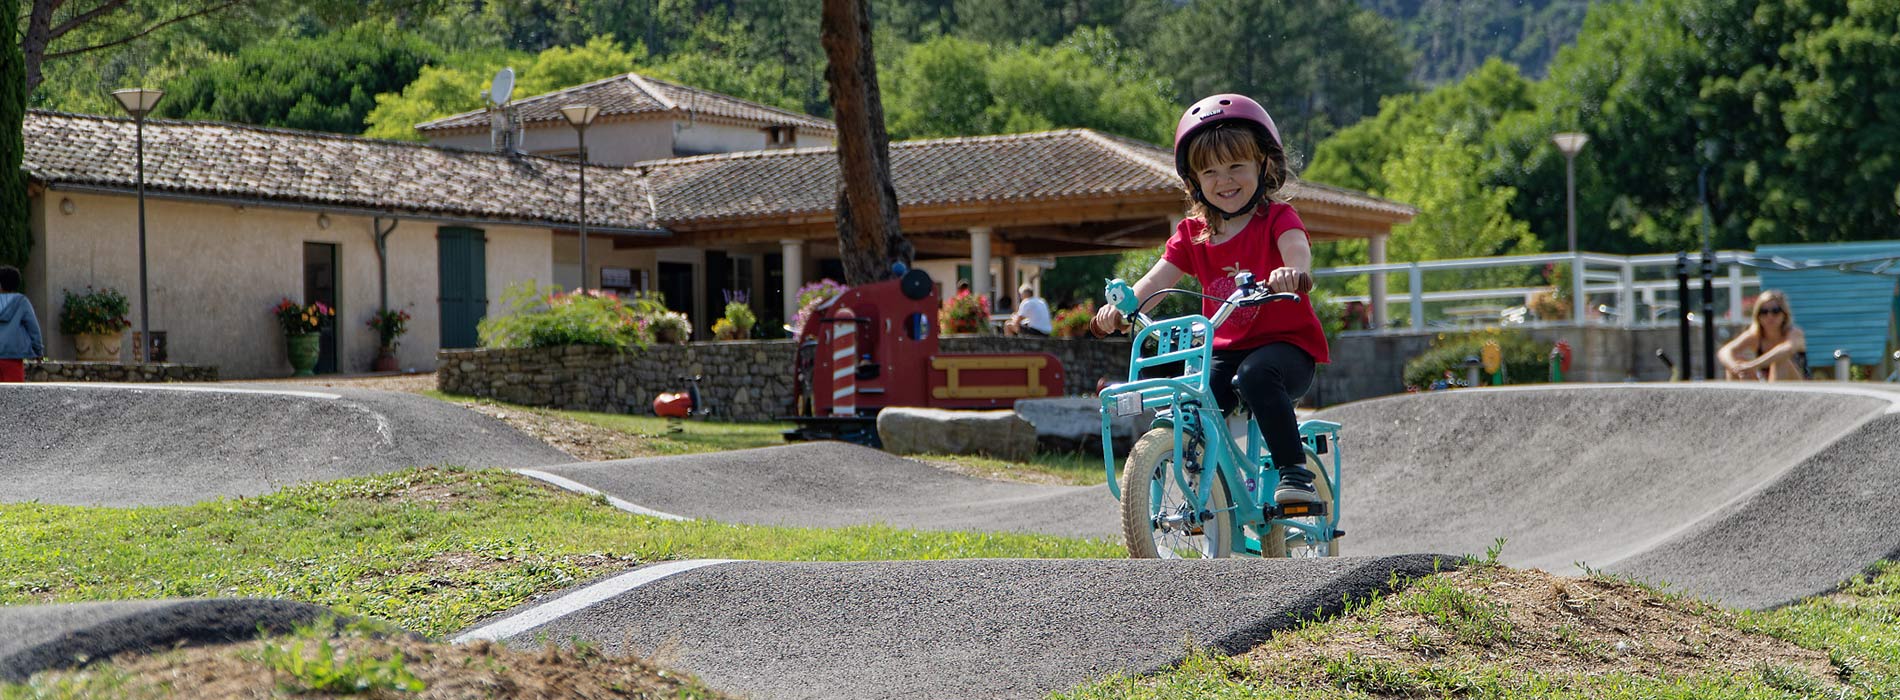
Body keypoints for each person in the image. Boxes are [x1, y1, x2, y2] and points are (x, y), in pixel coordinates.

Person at [1089, 94, 1328, 505]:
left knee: (1255, 376)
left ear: (1264, 165)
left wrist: (1292, 272)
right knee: (1191, 396)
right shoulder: (1191, 234)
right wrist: (1123, 309)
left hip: (1287, 348)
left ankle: (1294, 472)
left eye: (1237, 165)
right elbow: (1155, 280)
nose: (1225, 180)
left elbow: (1296, 249)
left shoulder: (1276, 218)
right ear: (1194, 181)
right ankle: (1207, 486)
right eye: (1210, 171)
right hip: (1222, 351)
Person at [1718, 290, 1807, 381]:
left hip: (1798, 388)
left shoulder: (1794, 333)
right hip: (1768, 386)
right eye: (1764, 312)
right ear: (1758, 316)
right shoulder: (1755, 335)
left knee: (1780, 361)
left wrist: (1753, 365)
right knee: (1736, 365)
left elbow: (1786, 349)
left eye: (1775, 311)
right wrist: (1736, 367)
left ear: (1784, 314)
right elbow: (1725, 351)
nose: (1769, 316)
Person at [0, 266, 45, 383]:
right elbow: (33, 328)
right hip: (13, 357)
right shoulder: (22, 302)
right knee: (14, 396)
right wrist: (38, 351)